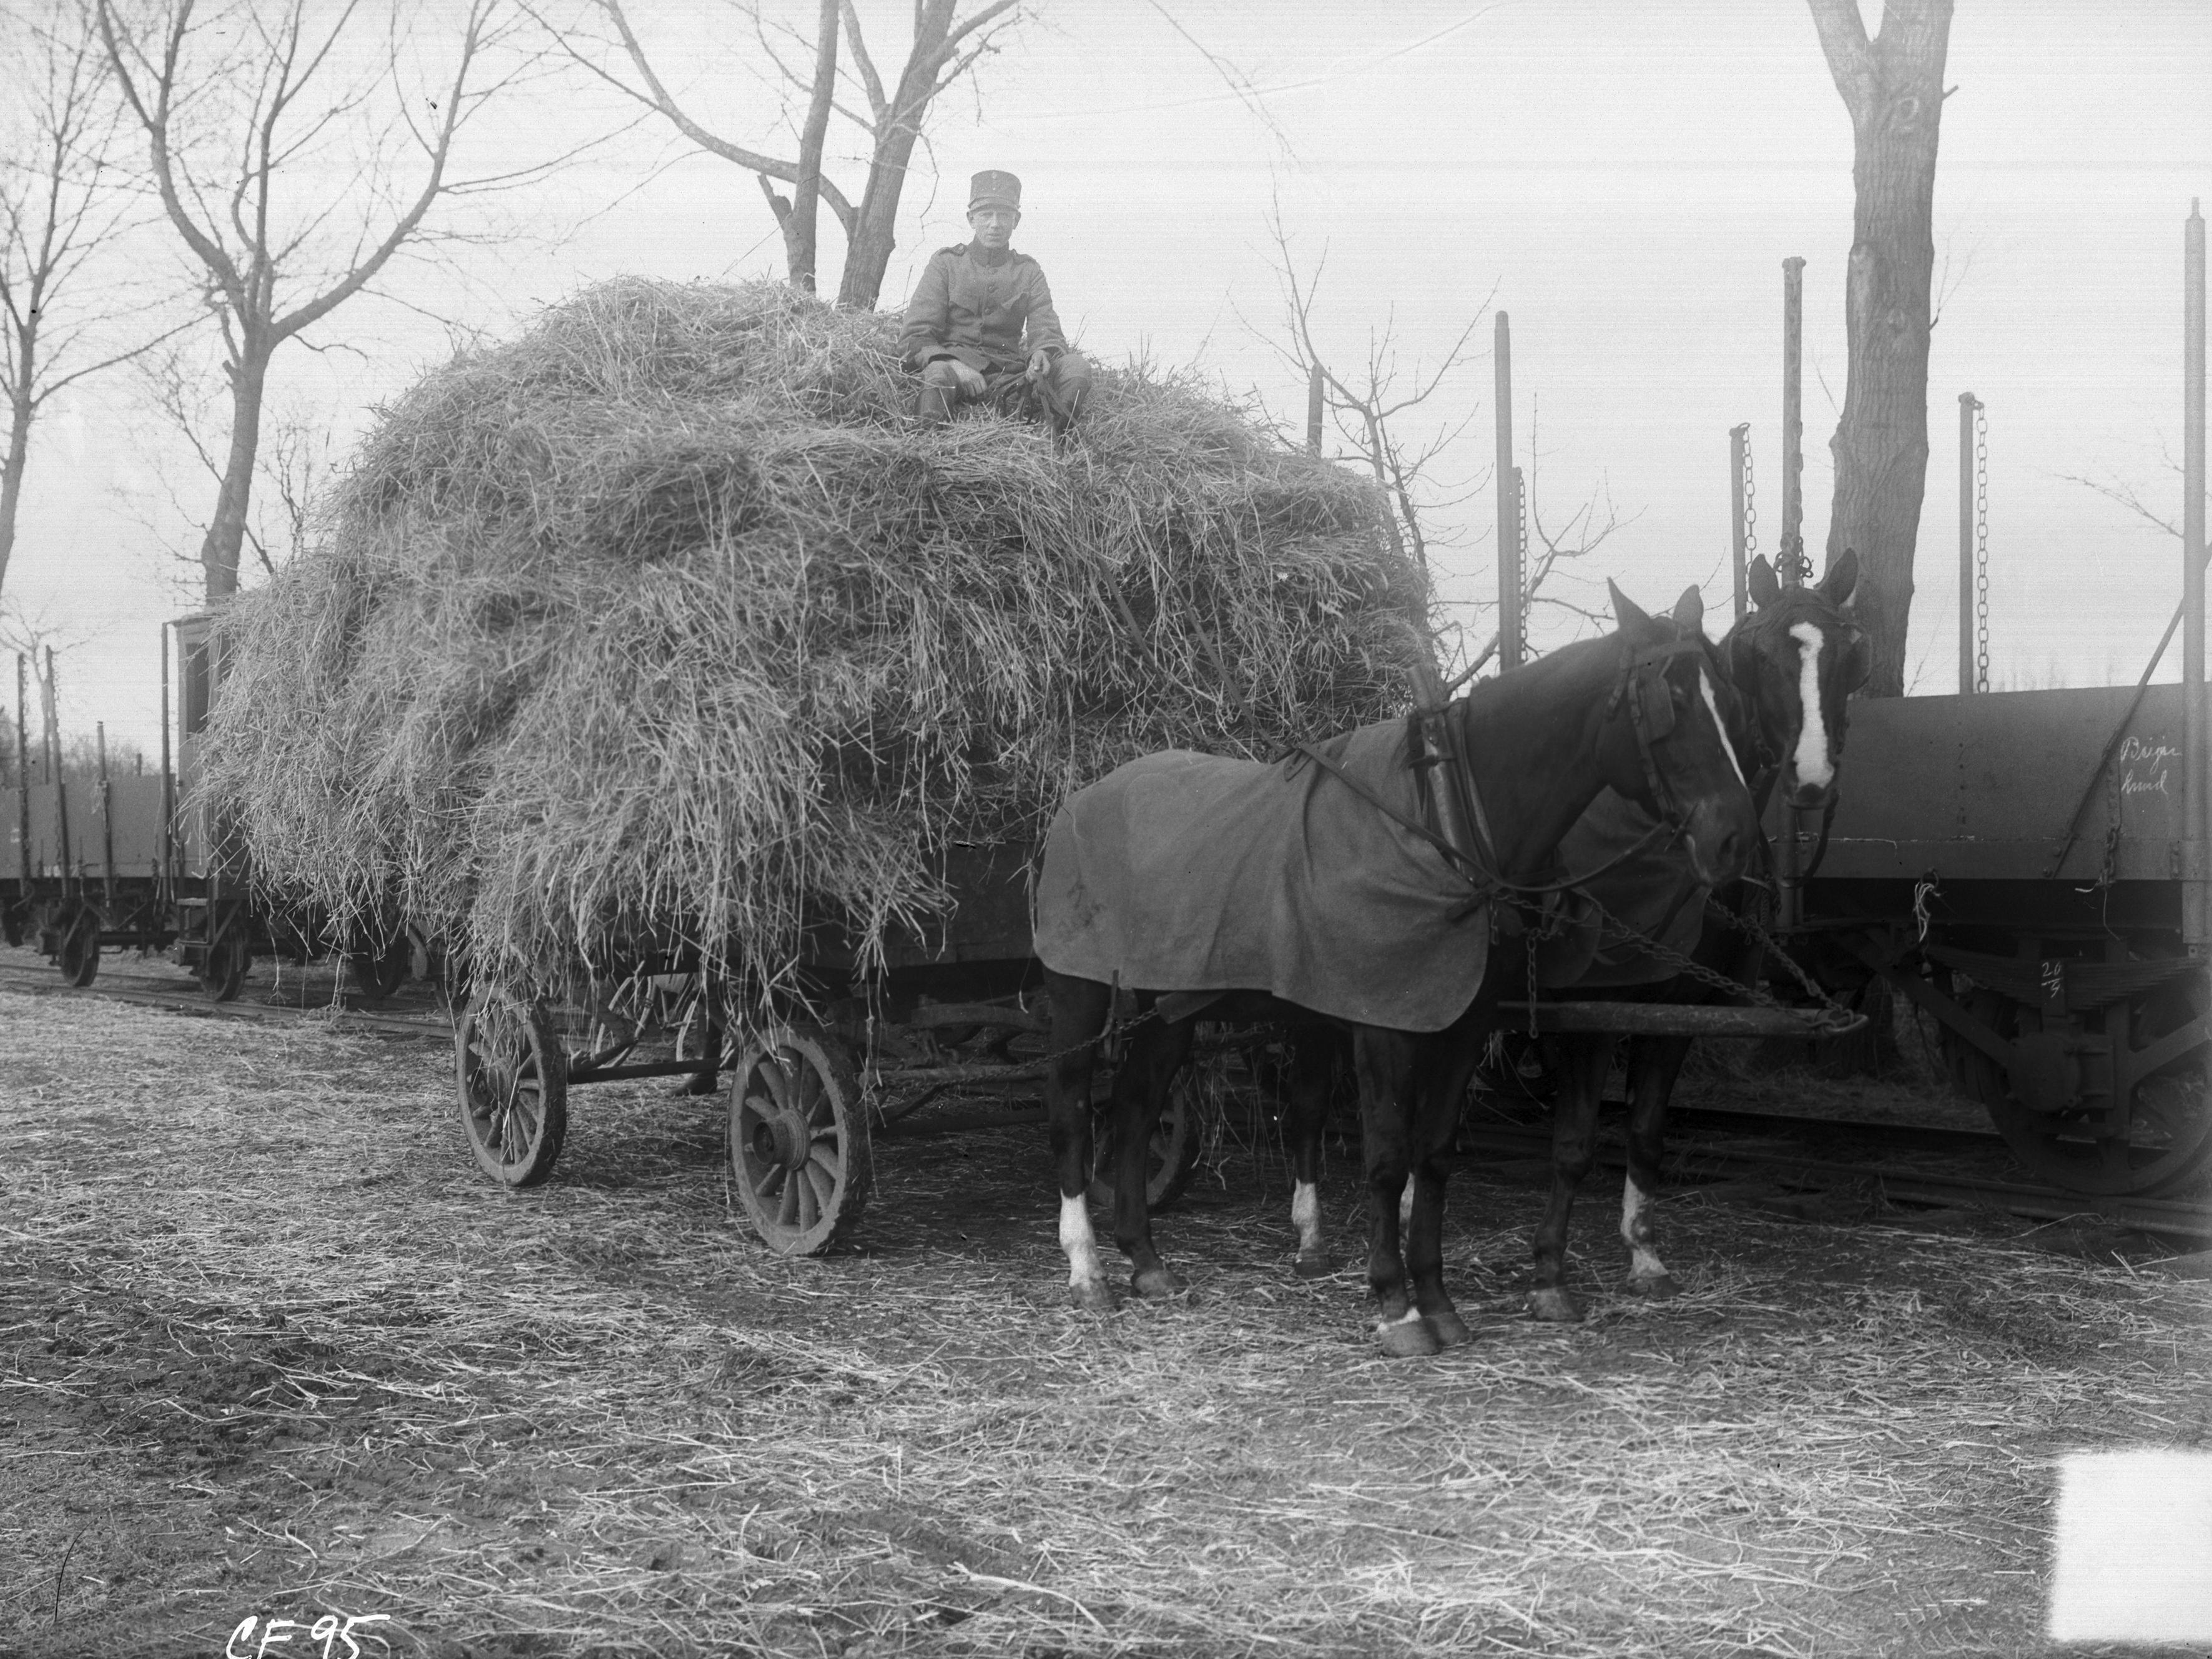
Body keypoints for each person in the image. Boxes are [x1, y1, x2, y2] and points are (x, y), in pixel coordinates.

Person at [898, 170, 1091, 445]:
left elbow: (1045, 327)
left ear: (1016, 220)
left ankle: (1047, 442)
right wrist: (954, 364)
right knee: (938, 374)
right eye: (986, 215)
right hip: (953, 370)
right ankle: (925, 449)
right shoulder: (946, 264)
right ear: (971, 219)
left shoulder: (1028, 271)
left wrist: (1041, 355)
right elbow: (916, 334)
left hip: (1009, 378)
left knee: (1076, 367)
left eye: (1004, 215)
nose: (995, 224)